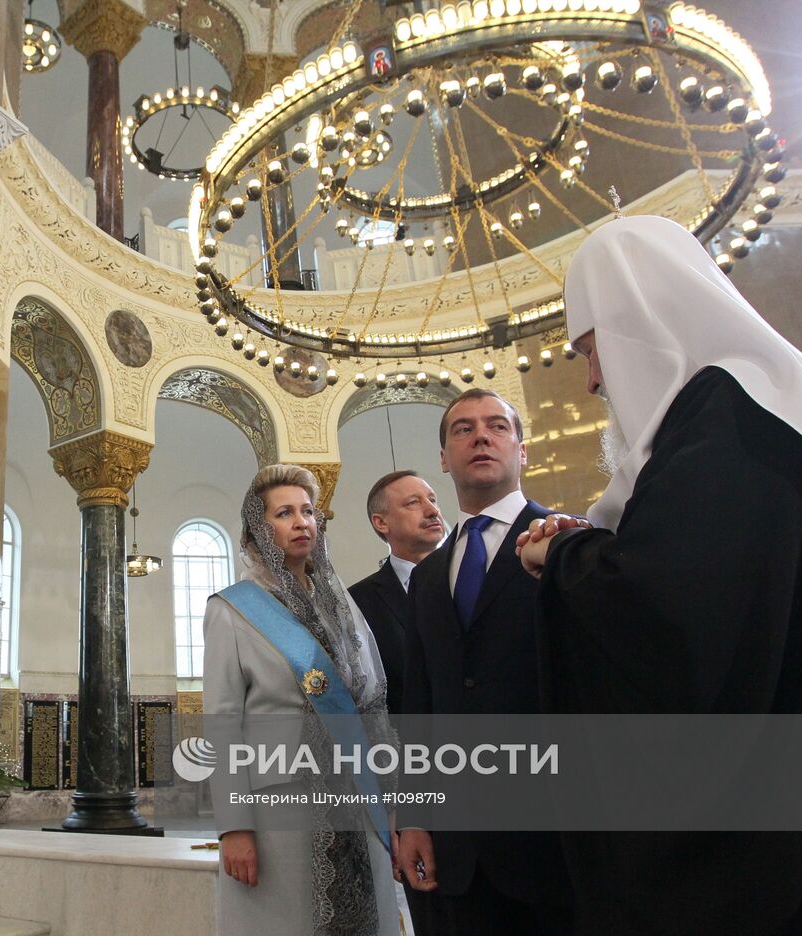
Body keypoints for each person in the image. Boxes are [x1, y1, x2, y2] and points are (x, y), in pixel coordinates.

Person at [516, 214, 802, 935]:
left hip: (760, 861)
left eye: (590, 350)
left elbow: (667, 611)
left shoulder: (723, 416)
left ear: (638, 321)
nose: (592, 381)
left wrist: (562, 558)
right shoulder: (785, 412)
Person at [396, 389, 573, 935]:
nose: (481, 436)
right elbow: (421, 702)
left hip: (555, 837)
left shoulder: (568, 541)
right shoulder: (427, 575)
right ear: (444, 459)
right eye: (463, 428)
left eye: (497, 426)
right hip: (459, 848)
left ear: (522, 452)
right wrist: (415, 815)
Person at [204, 464, 398, 935]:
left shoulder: (343, 604)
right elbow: (224, 724)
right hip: (281, 806)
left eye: (309, 511)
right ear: (257, 528)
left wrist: (392, 797)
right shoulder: (232, 610)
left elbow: (374, 700)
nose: (302, 522)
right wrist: (234, 827)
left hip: (358, 790)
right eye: (285, 512)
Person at [349, 469, 445, 936]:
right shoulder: (357, 604)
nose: (432, 509)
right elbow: (367, 710)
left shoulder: (475, 578)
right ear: (380, 522)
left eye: (431, 498)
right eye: (413, 503)